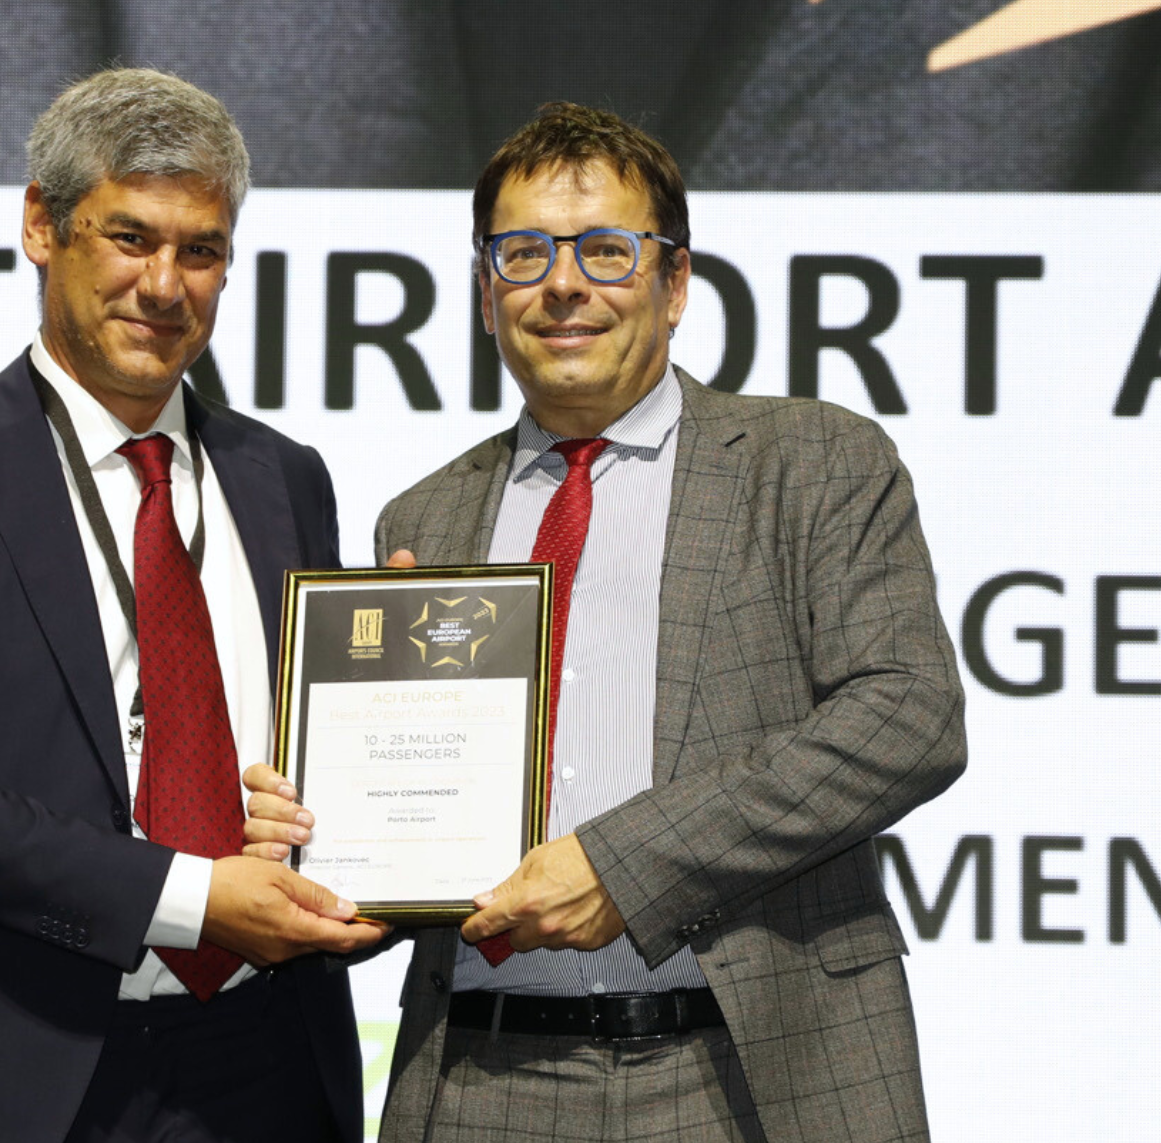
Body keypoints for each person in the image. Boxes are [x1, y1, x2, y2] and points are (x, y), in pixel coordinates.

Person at [245, 102, 967, 1142]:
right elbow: (420, 828)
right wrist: (329, 848)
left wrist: (623, 865)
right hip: (479, 1075)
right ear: (485, 291)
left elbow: (906, 715)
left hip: (744, 1072)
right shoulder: (426, 516)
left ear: (675, 284)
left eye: (606, 251)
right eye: (523, 252)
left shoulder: (811, 460)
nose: (563, 283)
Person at [0, 68, 383, 1143]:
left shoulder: (283, 476)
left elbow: (322, 776)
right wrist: (187, 897)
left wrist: (397, 759)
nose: (163, 285)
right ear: (41, 225)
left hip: (263, 1067)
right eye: (130, 238)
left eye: (199, 251)